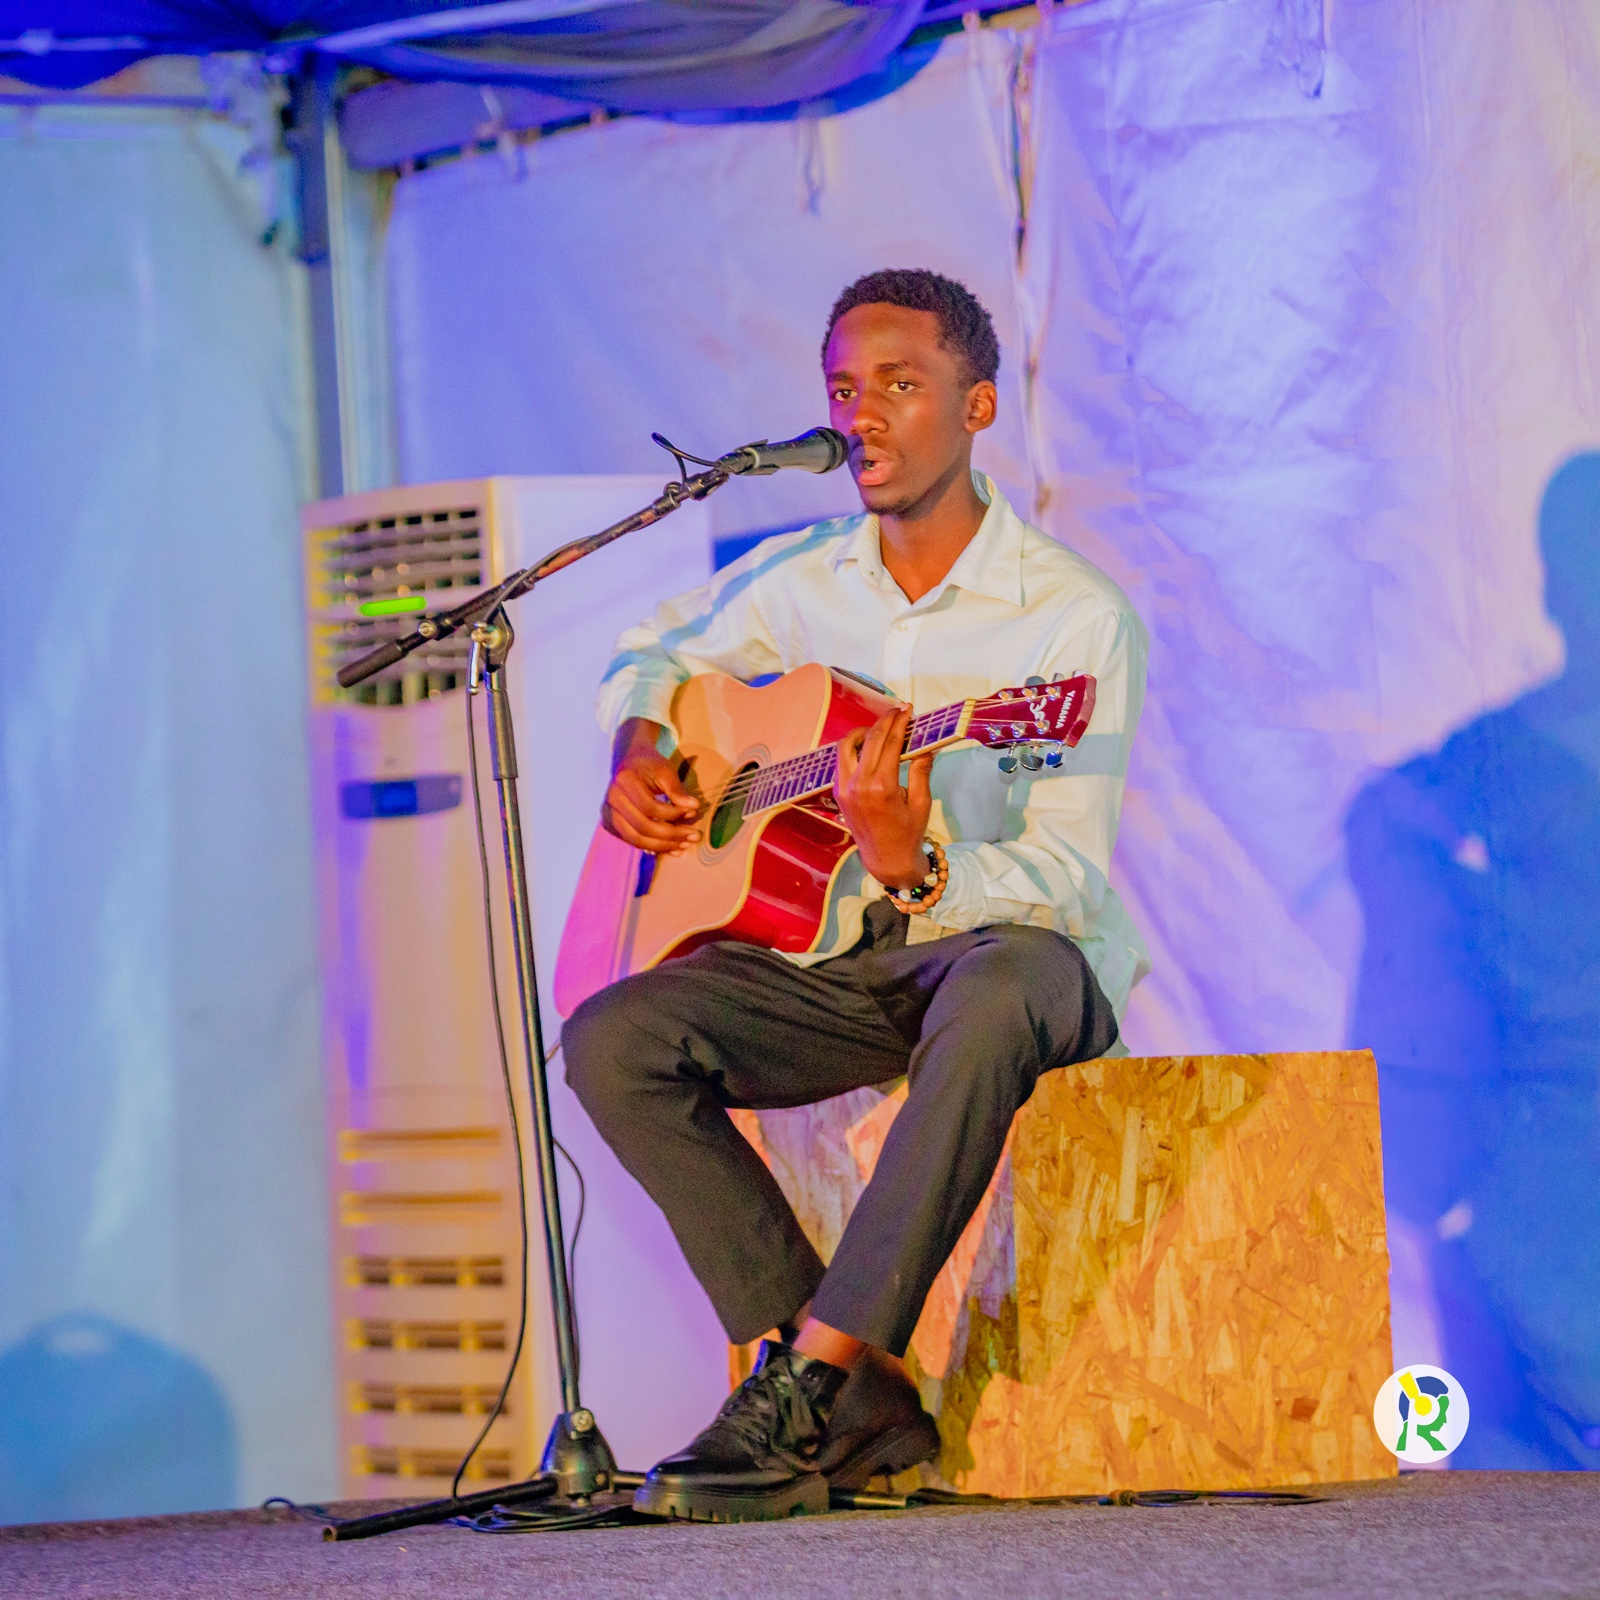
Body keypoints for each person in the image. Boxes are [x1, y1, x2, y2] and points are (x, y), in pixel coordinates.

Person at [562, 268, 1150, 1522]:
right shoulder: (796, 580)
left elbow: (1064, 873)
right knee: (612, 1037)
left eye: (899, 384)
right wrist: (638, 747)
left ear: (977, 406)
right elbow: (651, 652)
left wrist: (915, 864)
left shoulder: (1071, 620)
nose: (862, 415)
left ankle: (813, 1378)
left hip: (1005, 957)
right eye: (842, 389)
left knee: (1003, 983)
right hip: (837, 963)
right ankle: (851, 1393)